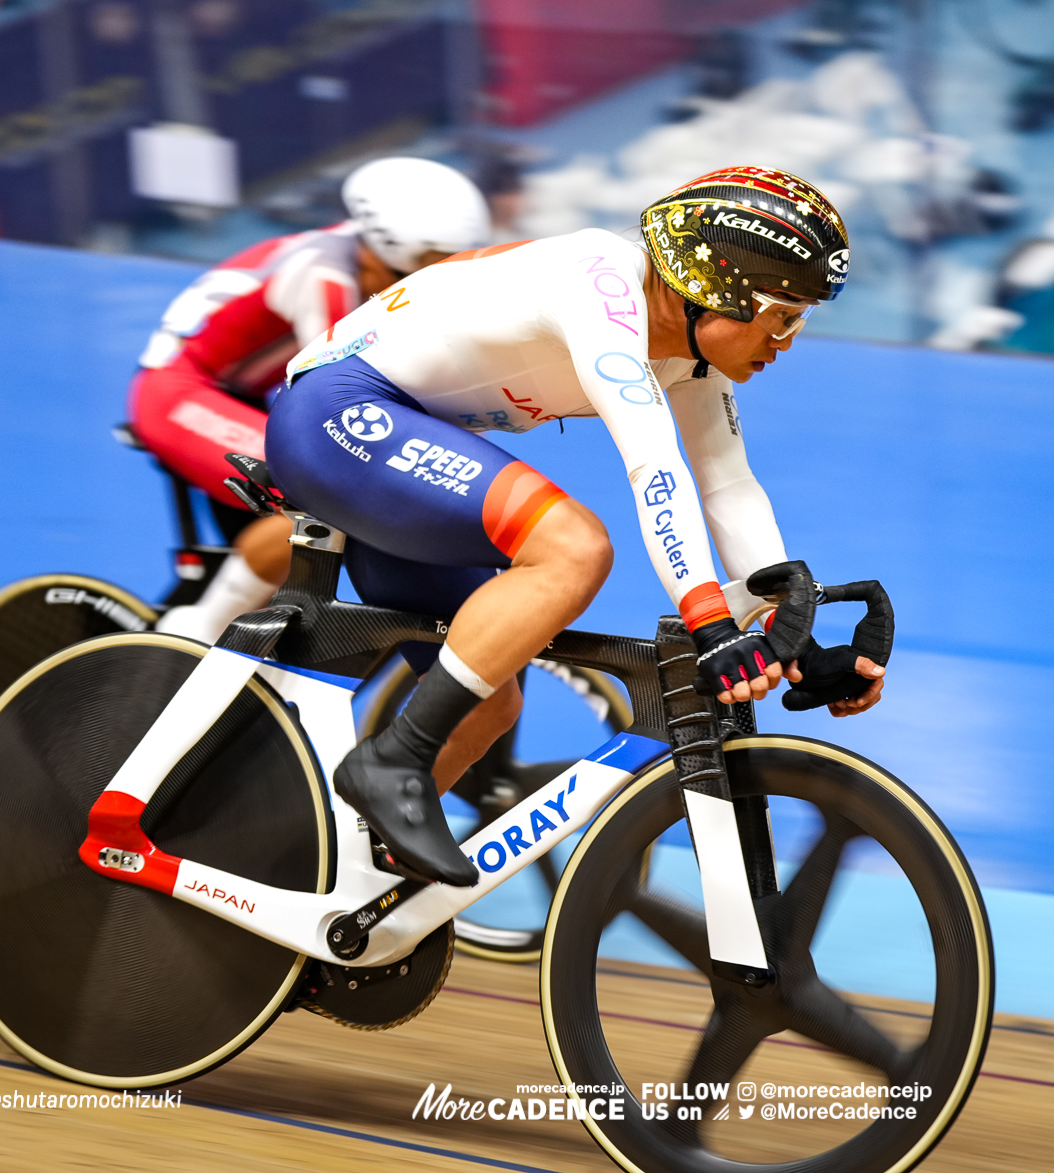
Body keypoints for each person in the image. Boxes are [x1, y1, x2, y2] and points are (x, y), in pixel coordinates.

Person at [264, 165, 886, 888]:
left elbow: (729, 487)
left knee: (488, 696)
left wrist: (792, 640)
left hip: (399, 443)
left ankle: (332, 882)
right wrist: (713, 622)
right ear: (720, 288)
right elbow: (655, 465)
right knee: (574, 548)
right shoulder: (601, 284)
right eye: (783, 315)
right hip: (338, 412)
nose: (786, 339)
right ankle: (392, 761)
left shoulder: (691, 353)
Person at [133, 157, 491, 642]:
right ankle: (197, 634)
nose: (407, 295)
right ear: (371, 253)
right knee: (327, 493)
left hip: (239, 395)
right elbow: (335, 403)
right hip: (179, 394)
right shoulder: (325, 277)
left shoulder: (366, 256)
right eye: (403, 280)